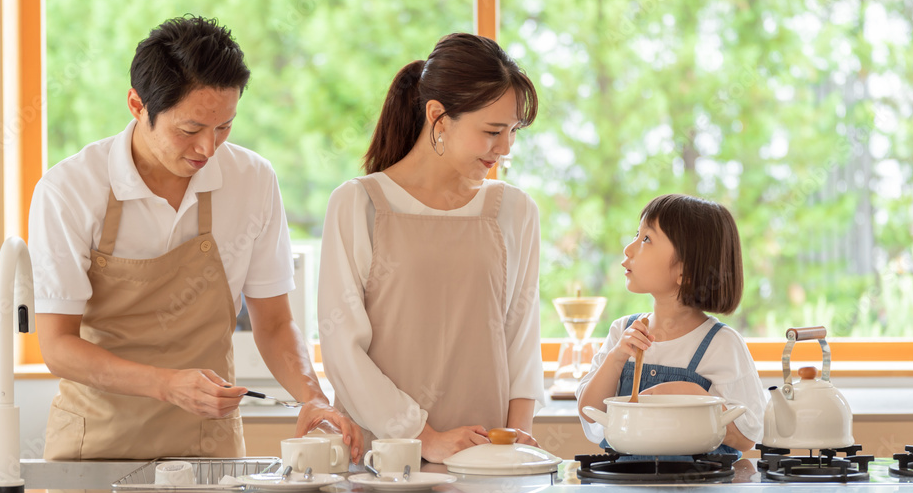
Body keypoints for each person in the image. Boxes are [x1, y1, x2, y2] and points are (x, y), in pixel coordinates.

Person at [30, 15, 361, 460]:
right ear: (137, 104)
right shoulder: (70, 189)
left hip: (209, 448)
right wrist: (166, 384)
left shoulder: (252, 180)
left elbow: (276, 323)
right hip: (96, 447)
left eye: (224, 127)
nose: (208, 148)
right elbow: (58, 347)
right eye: (189, 130)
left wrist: (312, 397)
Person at [317, 33, 546, 463]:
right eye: (493, 131)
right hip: (383, 463)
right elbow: (342, 350)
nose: (505, 148)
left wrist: (514, 443)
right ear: (438, 117)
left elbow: (521, 339)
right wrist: (426, 437)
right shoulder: (359, 204)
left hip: (485, 462)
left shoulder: (516, 211)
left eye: (513, 131)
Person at [576, 194, 766, 457]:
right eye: (636, 234)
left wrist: (696, 396)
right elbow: (591, 413)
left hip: (699, 491)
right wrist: (616, 358)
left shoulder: (722, 344)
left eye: (646, 239)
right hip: (627, 488)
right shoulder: (622, 331)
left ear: (685, 273)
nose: (628, 249)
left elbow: (748, 436)